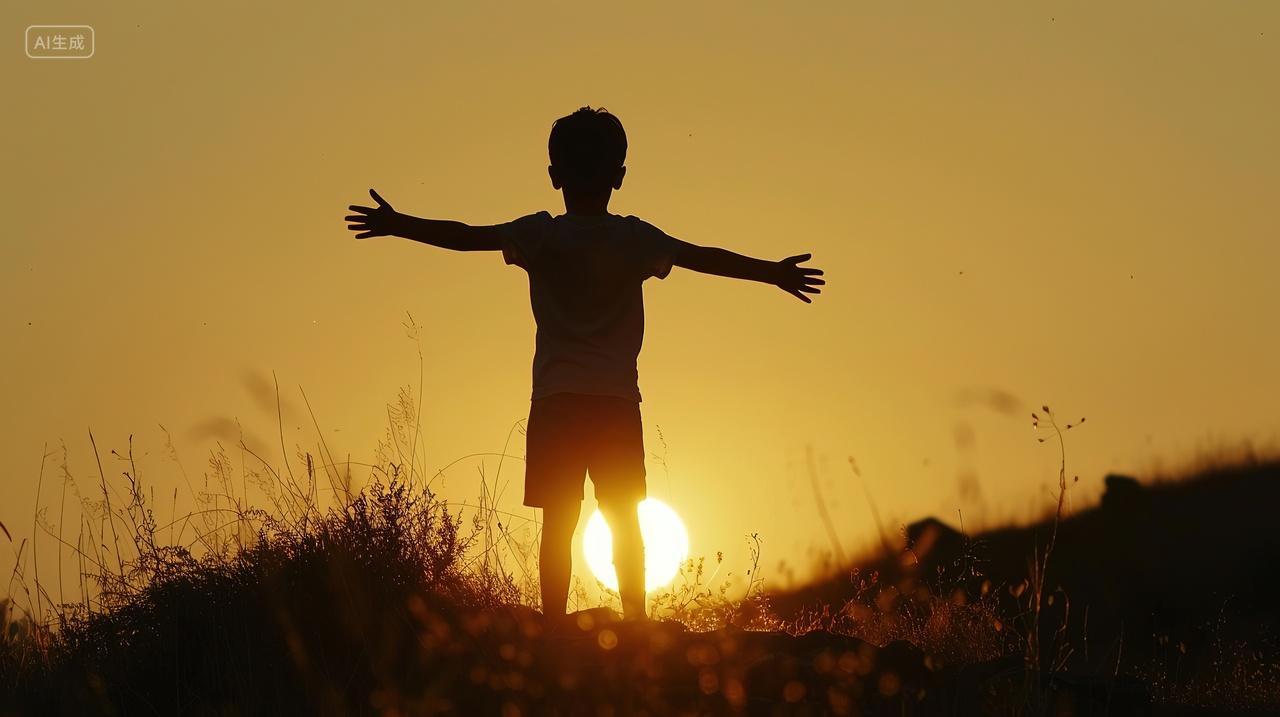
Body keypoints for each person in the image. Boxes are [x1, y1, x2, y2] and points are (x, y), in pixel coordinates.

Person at [345, 106, 823, 623]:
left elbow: (464, 235)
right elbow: (704, 256)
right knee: (623, 518)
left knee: (559, 520)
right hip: (616, 402)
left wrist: (398, 224)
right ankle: (635, 623)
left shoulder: (540, 235)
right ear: (620, 175)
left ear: (554, 176)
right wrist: (771, 273)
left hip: (556, 402)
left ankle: (553, 625)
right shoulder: (634, 239)